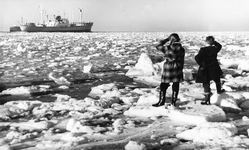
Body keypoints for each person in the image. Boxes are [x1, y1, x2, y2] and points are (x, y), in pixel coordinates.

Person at [152, 33, 185, 107]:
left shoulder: (167, 48)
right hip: (178, 67)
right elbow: (182, 59)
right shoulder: (182, 49)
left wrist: (166, 39)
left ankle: (161, 101)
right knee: (176, 84)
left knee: (163, 85)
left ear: (171, 39)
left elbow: (158, 46)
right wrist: (181, 68)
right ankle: (173, 103)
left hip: (169, 67)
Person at [195, 36, 225, 105]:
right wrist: (213, 42)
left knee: (206, 83)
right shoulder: (215, 49)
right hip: (214, 67)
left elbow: (197, 58)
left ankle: (207, 99)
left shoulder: (203, 50)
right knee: (217, 79)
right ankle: (219, 90)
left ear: (206, 41)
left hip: (206, 68)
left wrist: (201, 64)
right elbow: (219, 45)